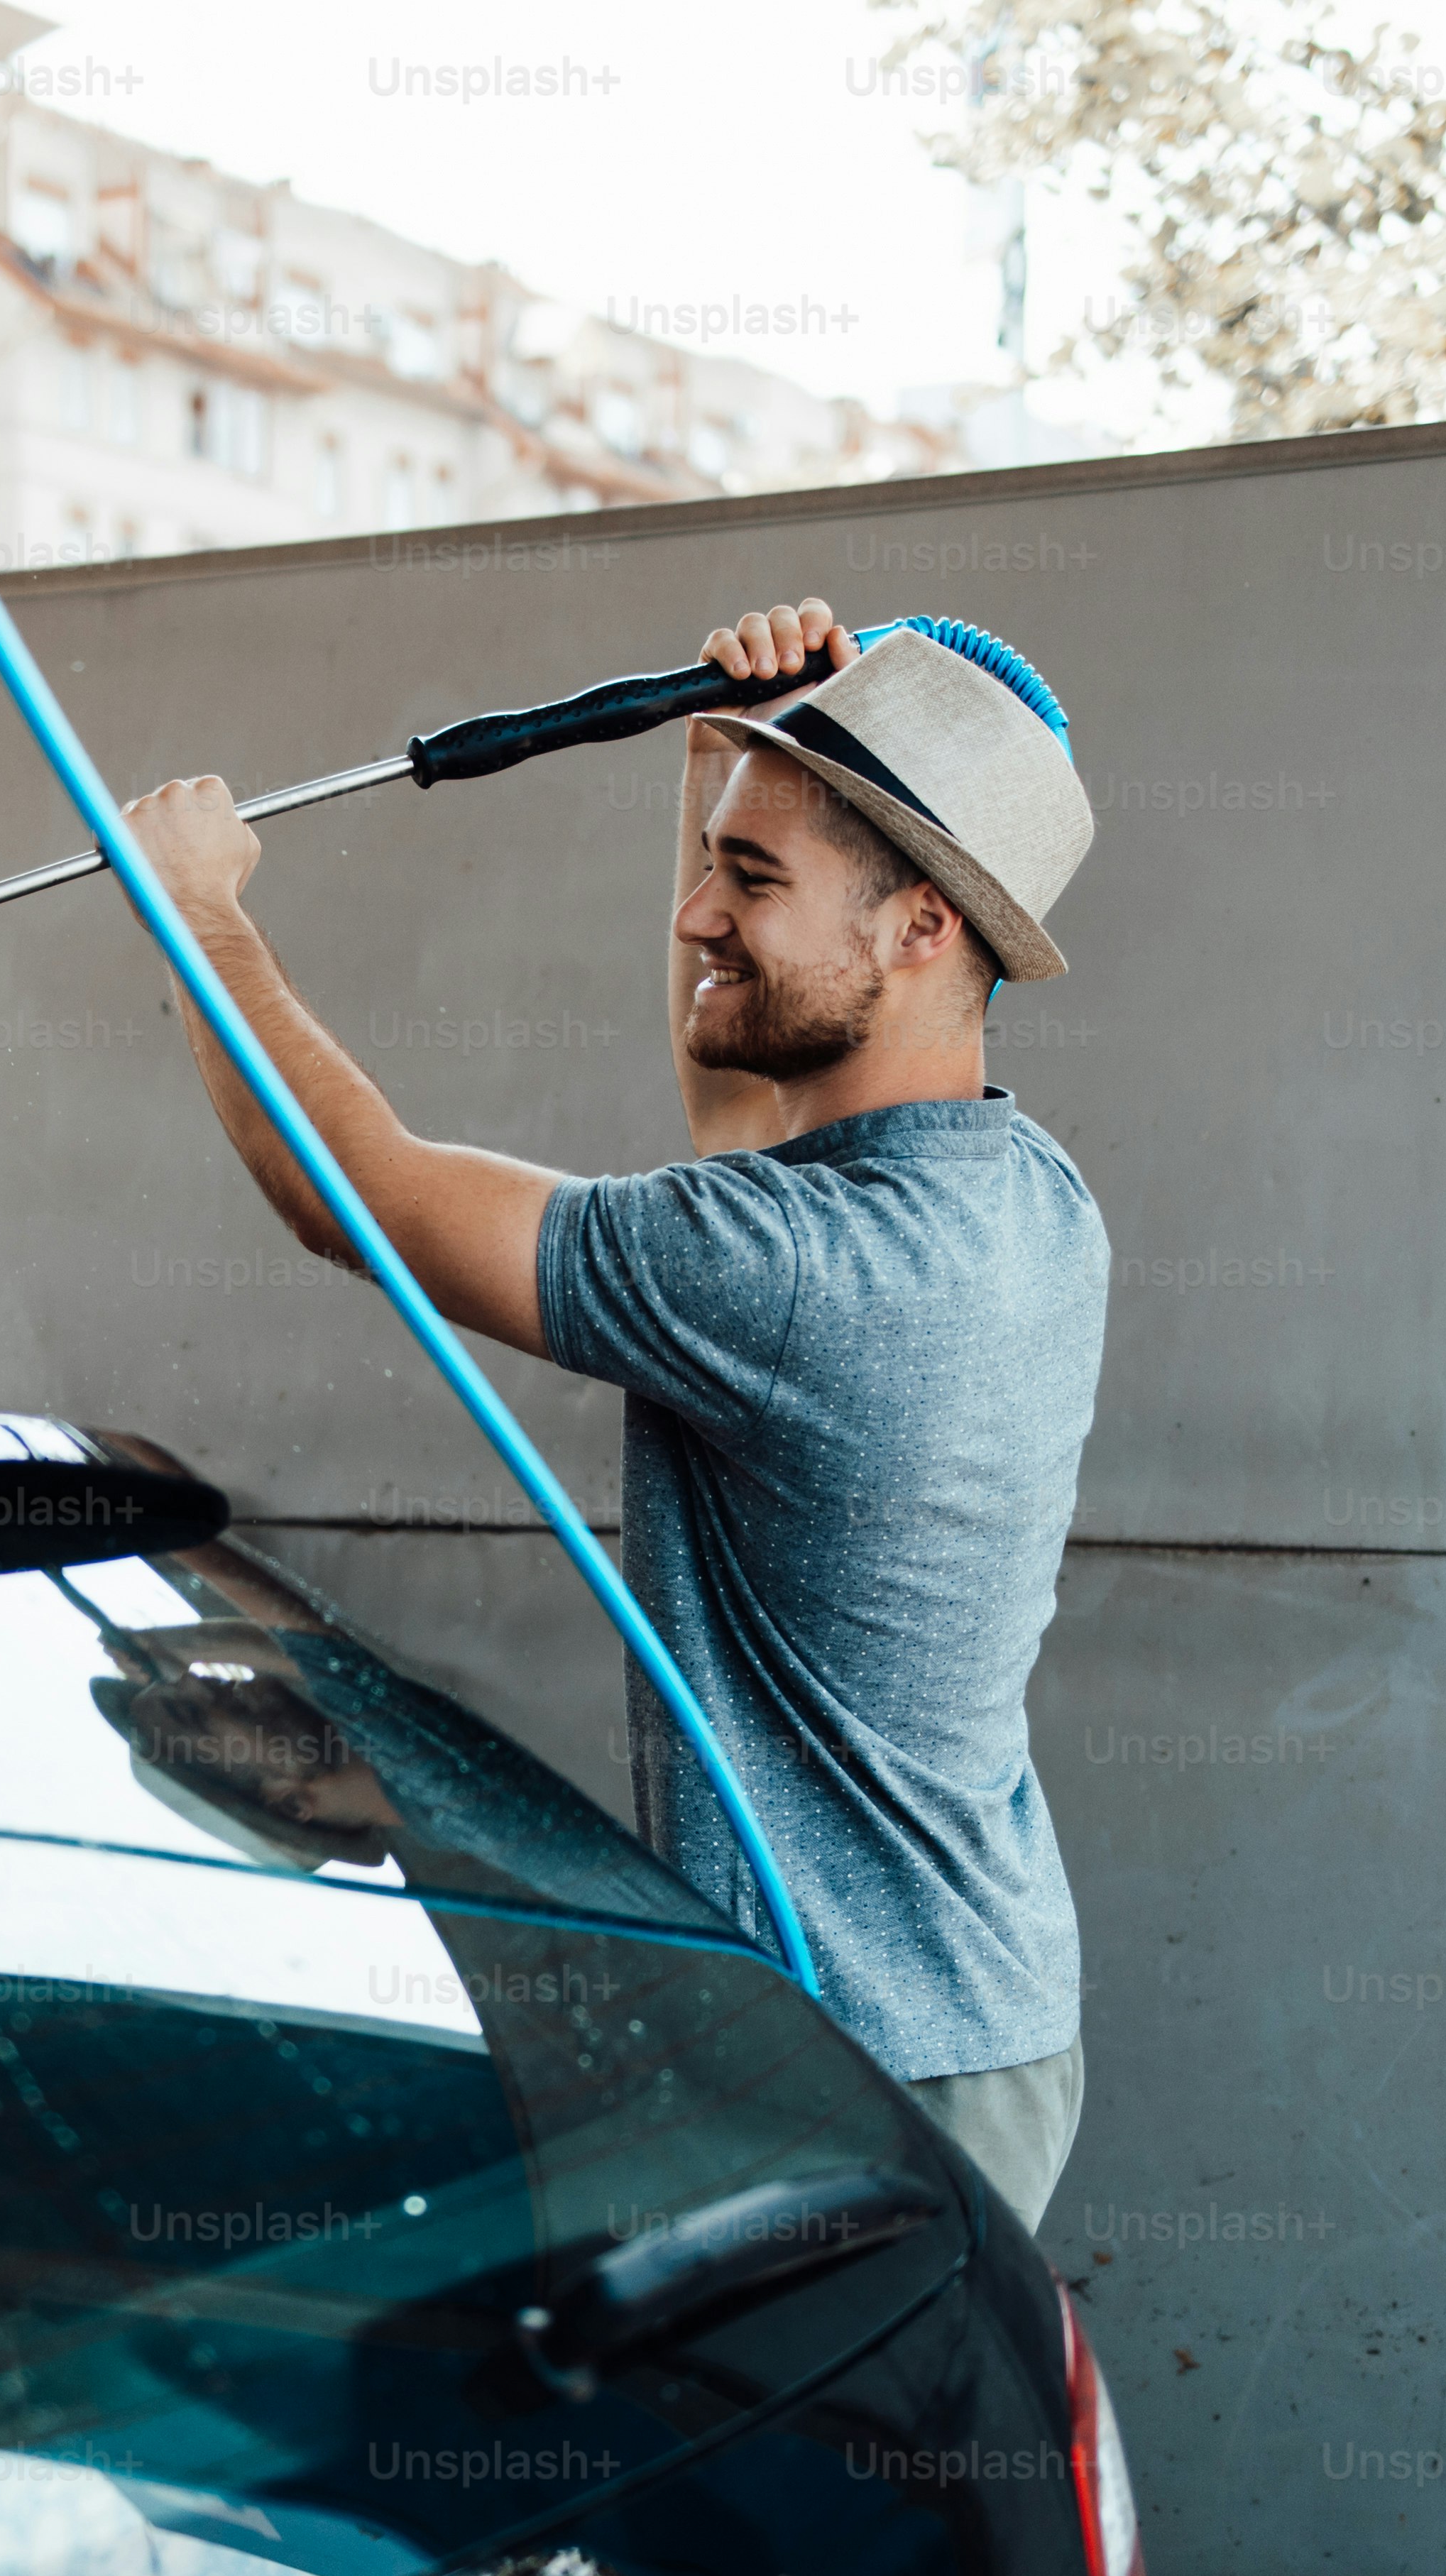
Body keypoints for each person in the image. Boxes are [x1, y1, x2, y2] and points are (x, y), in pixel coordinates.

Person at [118, 596, 1111, 2233]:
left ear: (923, 926)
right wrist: (724, 751)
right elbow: (739, 1116)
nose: (699, 916)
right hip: (970, 2007)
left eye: (756, 880)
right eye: (716, 863)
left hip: (872, 2055)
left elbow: (349, 1194)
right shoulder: (1020, 1190)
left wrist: (196, 921)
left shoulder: (799, 1276)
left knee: (829, 2484)